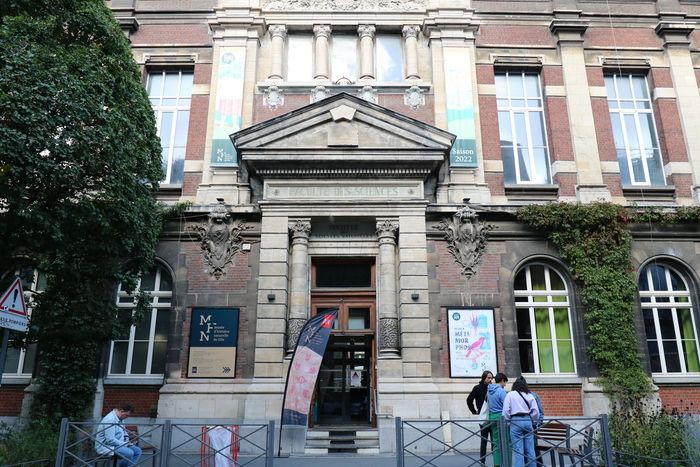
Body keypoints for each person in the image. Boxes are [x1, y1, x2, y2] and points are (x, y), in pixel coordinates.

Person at [502, 376, 540, 467]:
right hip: (527, 420)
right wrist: (534, 422)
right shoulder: (529, 395)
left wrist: (508, 422)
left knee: (518, 450)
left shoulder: (510, 395)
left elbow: (506, 411)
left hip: (515, 421)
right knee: (530, 450)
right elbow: (536, 411)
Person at [95, 402, 141, 467]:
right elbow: (110, 440)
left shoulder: (120, 418)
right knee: (129, 453)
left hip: (117, 444)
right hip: (106, 446)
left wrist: (128, 441)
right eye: (126, 415)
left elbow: (124, 432)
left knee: (137, 451)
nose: (127, 417)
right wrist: (125, 444)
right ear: (122, 411)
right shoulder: (110, 419)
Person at [467, 370, 494, 464]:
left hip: (493, 416)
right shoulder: (477, 388)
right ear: (484, 378)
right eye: (488, 378)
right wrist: (474, 411)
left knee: (494, 441)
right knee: (484, 440)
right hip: (483, 417)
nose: (490, 380)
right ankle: (482, 461)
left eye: (491, 378)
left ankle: (496, 462)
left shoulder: (492, 388)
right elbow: (469, 400)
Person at [487, 372, 508, 467]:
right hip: (501, 417)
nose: (505, 384)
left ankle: (497, 464)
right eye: (505, 382)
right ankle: (506, 463)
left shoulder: (489, 391)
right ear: (502, 380)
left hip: (492, 417)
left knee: (495, 442)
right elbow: (506, 406)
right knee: (505, 441)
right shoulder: (501, 391)